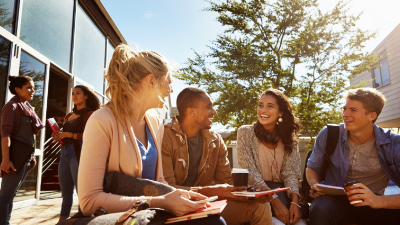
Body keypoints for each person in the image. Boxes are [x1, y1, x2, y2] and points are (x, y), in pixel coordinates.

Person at [77, 44, 225, 224]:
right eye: (169, 82)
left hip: (149, 214)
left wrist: (181, 195)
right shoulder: (101, 121)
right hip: (126, 218)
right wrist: (160, 202)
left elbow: (159, 182)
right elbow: (89, 202)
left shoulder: (155, 122)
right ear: (151, 81)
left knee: (214, 221)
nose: (171, 90)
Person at [162, 87, 273, 225]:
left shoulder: (215, 140)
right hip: (174, 211)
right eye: (209, 107)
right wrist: (208, 191)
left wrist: (252, 193)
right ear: (191, 112)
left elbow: (226, 182)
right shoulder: (164, 137)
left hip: (206, 206)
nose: (214, 112)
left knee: (260, 207)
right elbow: (166, 189)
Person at [306, 88, 400, 225]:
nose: (345, 114)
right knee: (320, 208)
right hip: (333, 201)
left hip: (373, 203)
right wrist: (315, 185)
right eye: (344, 109)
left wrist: (378, 201)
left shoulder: (393, 143)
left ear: (371, 116)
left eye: (353, 110)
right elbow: (312, 167)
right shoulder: (329, 134)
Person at [237, 89, 306, 225]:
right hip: (259, 198)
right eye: (260, 105)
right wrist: (274, 201)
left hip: (284, 196)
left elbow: (291, 174)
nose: (263, 110)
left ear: (280, 112)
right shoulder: (245, 132)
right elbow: (250, 173)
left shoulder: (289, 138)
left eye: (270, 106)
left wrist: (294, 203)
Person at [52, 85, 100, 223]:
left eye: (78, 93)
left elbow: (90, 136)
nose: (75, 96)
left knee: (82, 191)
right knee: (66, 192)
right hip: (64, 152)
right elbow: (66, 136)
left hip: (79, 152)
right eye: (73, 93)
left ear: (86, 96)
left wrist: (68, 134)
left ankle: (82, 219)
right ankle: (62, 220)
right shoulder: (68, 116)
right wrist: (59, 136)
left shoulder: (90, 114)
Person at [0, 75, 44, 225]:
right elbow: (5, 133)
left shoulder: (27, 108)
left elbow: (29, 134)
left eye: (33, 87)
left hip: (24, 157)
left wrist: (32, 156)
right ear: (17, 89)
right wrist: (6, 160)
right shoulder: (11, 107)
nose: (33, 90)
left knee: (10, 196)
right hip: (14, 158)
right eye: (29, 87)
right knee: (5, 197)